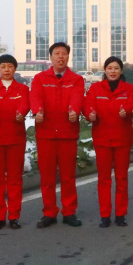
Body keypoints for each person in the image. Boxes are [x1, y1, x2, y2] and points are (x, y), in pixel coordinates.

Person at [29, 42, 85, 228]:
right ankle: (49, 212)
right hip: (45, 133)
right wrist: (37, 111)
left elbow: (77, 98)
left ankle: (69, 212)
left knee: (68, 176)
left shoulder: (76, 79)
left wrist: (74, 111)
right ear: (51, 57)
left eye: (63, 54)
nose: (60, 57)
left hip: (67, 132)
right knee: (47, 176)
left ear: (68, 57)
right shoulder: (40, 78)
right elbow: (35, 97)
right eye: (56, 53)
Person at [83, 57, 133, 228]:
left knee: (122, 178)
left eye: (116, 68)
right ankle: (105, 215)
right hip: (102, 138)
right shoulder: (95, 88)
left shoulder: (128, 89)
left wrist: (126, 111)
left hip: (122, 138)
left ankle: (121, 214)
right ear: (105, 70)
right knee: (104, 179)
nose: (113, 71)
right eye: (109, 68)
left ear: (121, 71)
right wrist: (90, 114)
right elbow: (88, 105)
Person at [0, 54, 30, 231]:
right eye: (3, 67)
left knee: (15, 178)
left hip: (16, 138)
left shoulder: (22, 89)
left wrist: (21, 113)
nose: (6, 70)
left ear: (15, 69)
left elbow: (25, 105)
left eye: (10, 66)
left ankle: (14, 216)